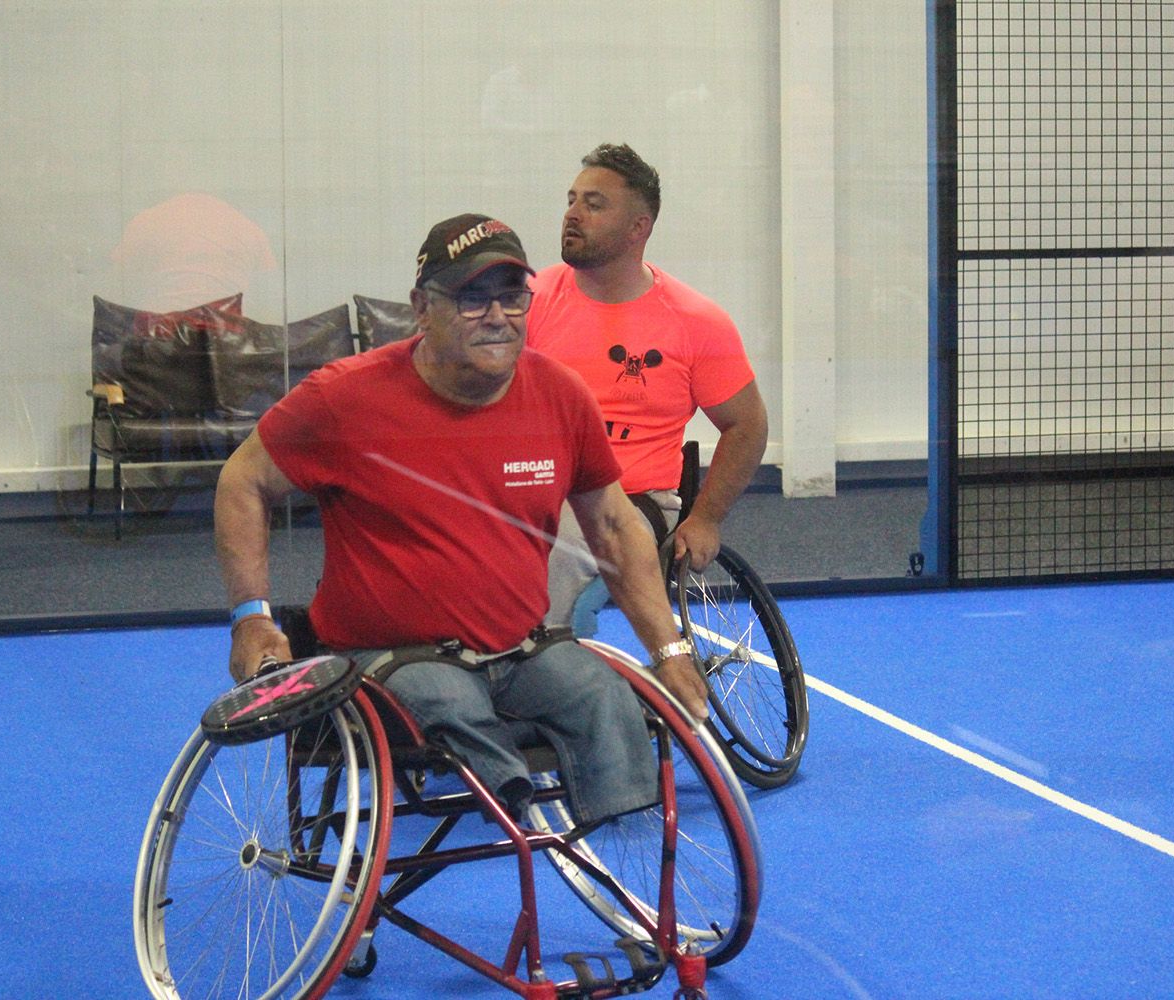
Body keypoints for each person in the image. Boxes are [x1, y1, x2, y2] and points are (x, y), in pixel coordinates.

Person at [213, 213, 707, 824]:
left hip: (522, 651)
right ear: (422, 307)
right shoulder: (345, 398)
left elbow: (613, 525)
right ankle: (514, 807)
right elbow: (244, 479)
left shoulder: (560, 394)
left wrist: (670, 648)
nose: (497, 316)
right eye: (473, 299)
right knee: (446, 700)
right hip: (389, 659)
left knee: (606, 696)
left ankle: (625, 847)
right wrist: (250, 619)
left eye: (510, 297)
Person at [526, 143, 769, 635]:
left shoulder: (695, 322)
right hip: (532, 485)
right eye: (571, 200)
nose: (572, 214)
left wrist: (706, 519)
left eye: (594, 204)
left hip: (633, 501)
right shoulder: (530, 300)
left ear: (639, 228)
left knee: (552, 558)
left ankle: (550, 684)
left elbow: (747, 424)